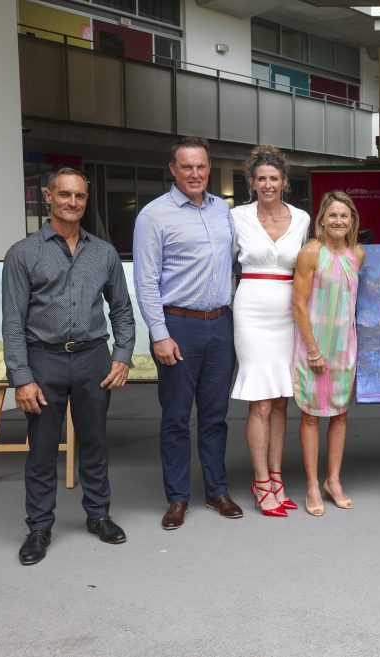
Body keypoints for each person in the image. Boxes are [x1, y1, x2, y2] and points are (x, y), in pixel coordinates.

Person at [2, 167, 134, 565]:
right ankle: (39, 527)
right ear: (48, 197)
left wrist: (122, 356)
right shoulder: (23, 253)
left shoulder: (104, 252)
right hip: (44, 359)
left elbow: (123, 312)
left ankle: (99, 515)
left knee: (94, 443)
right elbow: (12, 322)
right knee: (42, 449)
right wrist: (22, 378)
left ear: (85, 200)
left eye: (79, 196)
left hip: (94, 358)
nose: (72, 202)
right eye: (64, 195)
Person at [133, 136, 242, 529]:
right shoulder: (153, 216)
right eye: (187, 167)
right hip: (177, 325)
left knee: (216, 416)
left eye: (201, 166)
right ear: (173, 169)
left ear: (209, 169)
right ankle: (178, 497)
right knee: (176, 417)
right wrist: (159, 334)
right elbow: (145, 282)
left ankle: (216, 491)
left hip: (221, 323)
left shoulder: (223, 212)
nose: (194, 174)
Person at [231, 145, 310, 517]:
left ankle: (277, 478)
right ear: (251, 182)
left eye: (273, 178)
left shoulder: (302, 218)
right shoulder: (236, 217)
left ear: (284, 182)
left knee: (282, 399)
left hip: (288, 310)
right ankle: (261, 482)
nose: (267, 184)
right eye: (260, 178)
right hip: (250, 308)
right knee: (261, 399)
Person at [291, 191, 365, 516]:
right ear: (321, 219)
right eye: (332, 215)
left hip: (344, 346)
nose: (338, 221)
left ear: (352, 221)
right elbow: (298, 304)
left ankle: (333, 480)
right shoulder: (311, 252)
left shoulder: (357, 253)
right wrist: (313, 349)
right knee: (310, 414)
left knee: (340, 414)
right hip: (315, 345)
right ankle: (311, 483)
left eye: (344, 216)